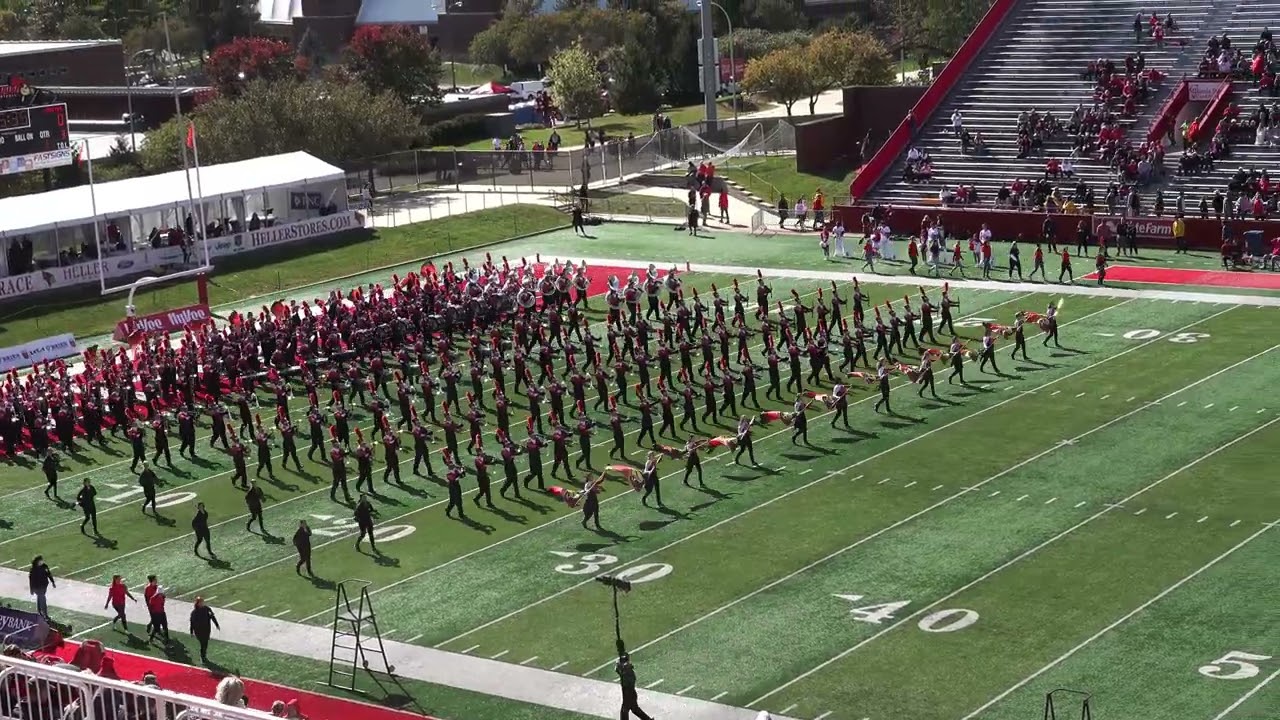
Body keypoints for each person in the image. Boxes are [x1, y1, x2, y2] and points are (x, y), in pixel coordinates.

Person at [615, 652, 653, 720]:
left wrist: (621, 670)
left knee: (624, 710)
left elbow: (628, 683)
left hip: (629, 694)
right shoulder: (625, 670)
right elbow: (618, 670)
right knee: (635, 709)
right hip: (629, 693)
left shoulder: (629, 672)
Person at [189, 597, 220, 663]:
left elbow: (212, 617)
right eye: (201, 602)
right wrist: (191, 631)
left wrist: (217, 624)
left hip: (206, 629)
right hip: (199, 631)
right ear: (198, 603)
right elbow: (192, 622)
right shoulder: (194, 612)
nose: (202, 603)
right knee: (203, 643)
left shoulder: (207, 609)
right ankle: (202, 656)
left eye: (203, 602)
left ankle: (203, 655)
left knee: (205, 644)